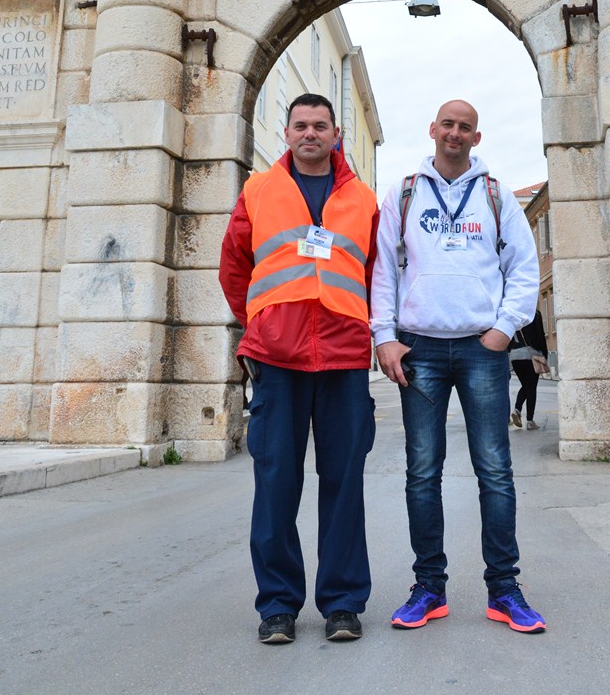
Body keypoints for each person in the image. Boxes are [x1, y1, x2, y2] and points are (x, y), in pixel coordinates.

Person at [371, 99, 546, 635]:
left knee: (494, 471)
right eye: (447, 123)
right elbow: (383, 271)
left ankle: (505, 590)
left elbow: (524, 267)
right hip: (420, 348)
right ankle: (428, 589)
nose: (455, 132)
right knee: (422, 473)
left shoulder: (496, 196)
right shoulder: (403, 192)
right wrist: (385, 337)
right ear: (432, 130)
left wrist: (503, 328)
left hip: (480, 349)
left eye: (464, 126)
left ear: (477, 136)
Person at [219, 94, 379, 646]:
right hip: (277, 359)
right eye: (300, 125)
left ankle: (341, 604)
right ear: (287, 134)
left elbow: (376, 275)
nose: (310, 133)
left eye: (320, 126)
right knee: (275, 485)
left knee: (343, 484)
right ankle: (279, 607)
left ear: (337, 135)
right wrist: (258, 320)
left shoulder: (363, 199)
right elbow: (235, 264)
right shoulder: (257, 191)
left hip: (343, 357)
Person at [510, 308, 549, 430]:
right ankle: (530, 421)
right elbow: (540, 335)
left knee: (526, 386)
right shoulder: (534, 313)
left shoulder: (512, 313)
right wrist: (544, 354)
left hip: (514, 356)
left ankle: (517, 410)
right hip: (531, 354)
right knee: (531, 387)